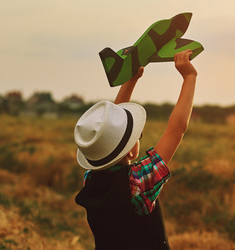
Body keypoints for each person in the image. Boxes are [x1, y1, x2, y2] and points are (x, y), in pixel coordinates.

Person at [75, 49, 197, 250]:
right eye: (136, 136)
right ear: (130, 150)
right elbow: (177, 129)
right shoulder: (139, 182)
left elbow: (110, 128)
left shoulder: (91, 178)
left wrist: (130, 81)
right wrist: (189, 77)